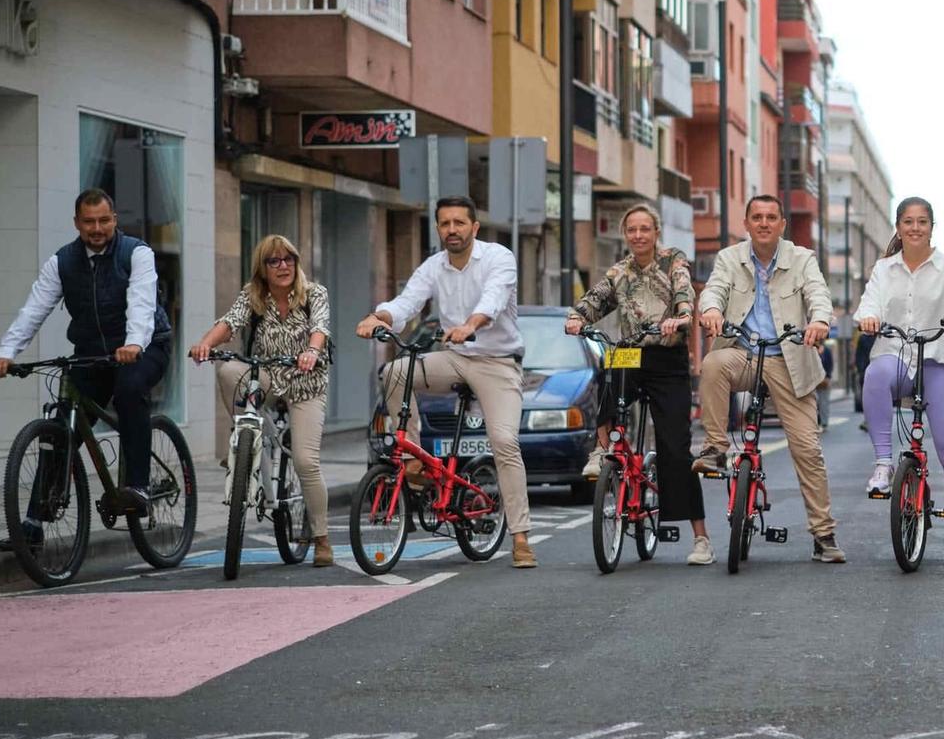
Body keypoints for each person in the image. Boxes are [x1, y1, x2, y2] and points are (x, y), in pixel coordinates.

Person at [356, 196, 538, 569]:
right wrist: (380, 317)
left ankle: (520, 536)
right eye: (444, 223)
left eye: (459, 222)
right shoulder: (434, 266)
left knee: (504, 442)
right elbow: (408, 302)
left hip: (497, 363)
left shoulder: (498, 258)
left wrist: (470, 325)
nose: (451, 230)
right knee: (394, 372)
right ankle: (413, 460)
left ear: (475, 227)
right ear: (438, 228)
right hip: (454, 359)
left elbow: (495, 298)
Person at [0, 188, 175, 545]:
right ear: (76, 223)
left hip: (145, 345)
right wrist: (7, 351)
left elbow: (141, 300)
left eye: (104, 220)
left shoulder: (136, 253)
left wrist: (134, 342)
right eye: (89, 222)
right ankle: (33, 524)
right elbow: (34, 310)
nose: (97, 228)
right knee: (61, 425)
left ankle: (137, 485)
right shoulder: (62, 262)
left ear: (114, 219)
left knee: (128, 391)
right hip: (91, 352)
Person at [695, 194, 844, 563]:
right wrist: (711, 309)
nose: (764, 223)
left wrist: (820, 320)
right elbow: (713, 289)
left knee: (808, 450)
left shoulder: (802, 258)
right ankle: (715, 448)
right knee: (712, 365)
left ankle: (823, 535)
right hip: (743, 352)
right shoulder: (730, 258)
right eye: (757, 217)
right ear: (746, 223)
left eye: (771, 217)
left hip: (789, 358)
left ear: (782, 224)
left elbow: (817, 293)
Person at [567, 202, 711, 566]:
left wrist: (680, 318)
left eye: (645, 228)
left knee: (675, 449)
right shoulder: (619, 271)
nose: (638, 235)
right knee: (609, 372)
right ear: (625, 234)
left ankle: (701, 538)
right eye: (632, 229)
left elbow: (684, 293)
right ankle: (603, 451)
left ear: (656, 232)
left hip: (667, 357)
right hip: (631, 351)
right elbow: (595, 299)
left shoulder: (672, 260)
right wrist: (576, 318)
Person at [187, 235, 334, 567]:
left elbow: (320, 328)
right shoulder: (252, 296)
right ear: (262, 268)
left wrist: (312, 351)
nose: (283, 266)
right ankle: (243, 439)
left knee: (305, 462)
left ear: (296, 263)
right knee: (227, 372)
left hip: (305, 385)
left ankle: (322, 537)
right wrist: (204, 344)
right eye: (274, 261)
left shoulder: (315, 294)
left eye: (288, 259)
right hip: (265, 377)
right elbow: (229, 323)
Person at [856, 197, 944, 564]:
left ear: (932, 226)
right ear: (898, 227)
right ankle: (883, 463)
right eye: (908, 222)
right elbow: (870, 303)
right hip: (896, 355)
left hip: (941, 357)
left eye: (923, 222)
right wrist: (868, 318)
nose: (915, 228)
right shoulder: (884, 270)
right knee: (876, 372)